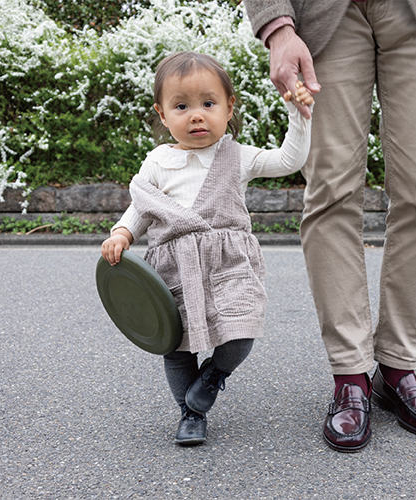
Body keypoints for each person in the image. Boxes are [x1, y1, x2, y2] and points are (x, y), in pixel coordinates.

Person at [243, 0, 416, 452]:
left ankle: (397, 367)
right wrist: (276, 27)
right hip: (321, 15)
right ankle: (350, 374)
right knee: (330, 194)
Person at [101, 51, 314, 446]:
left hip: (228, 263)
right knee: (176, 345)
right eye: (182, 106)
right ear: (163, 114)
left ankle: (215, 374)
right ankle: (190, 412)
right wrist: (122, 234)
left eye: (208, 104)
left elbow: (289, 160)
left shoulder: (238, 155)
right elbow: (142, 206)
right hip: (174, 266)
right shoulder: (158, 162)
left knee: (241, 331)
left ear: (229, 108)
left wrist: (300, 116)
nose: (196, 115)